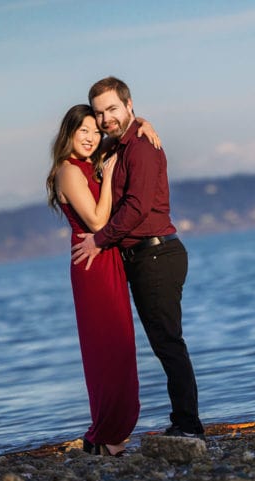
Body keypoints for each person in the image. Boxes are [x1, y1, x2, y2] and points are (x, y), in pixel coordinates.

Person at [72, 76, 204, 440]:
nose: (105, 119)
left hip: (157, 254)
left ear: (129, 105)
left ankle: (188, 427)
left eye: (112, 109)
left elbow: (136, 208)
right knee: (164, 343)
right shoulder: (123, 145)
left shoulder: (142, 148)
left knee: (168, 343)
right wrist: (141, 121)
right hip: (142, 256)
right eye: (99, 114)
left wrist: (100, 239)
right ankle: (183, 422)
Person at [47, 104, 159, 456]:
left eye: (96, 132)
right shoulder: (68, 171)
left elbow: (124, 129)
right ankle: (104, 436)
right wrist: (109, 177)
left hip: (108, 259)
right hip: (91, 266)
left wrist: (143, 122)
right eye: (84, 131)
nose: (92, 138)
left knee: (123, 349)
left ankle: (112, 436)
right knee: (108, 351)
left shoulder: (92, 161)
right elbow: (97, 221)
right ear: (69, 132)